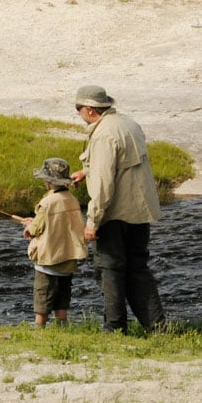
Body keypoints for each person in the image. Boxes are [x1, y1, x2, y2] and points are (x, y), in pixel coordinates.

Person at [70, 85, 166, 333]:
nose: (79, 114)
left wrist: (92, 223)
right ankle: (156, 328)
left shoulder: (103, 135)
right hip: (139, 212)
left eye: (79, 109)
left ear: (90, 110)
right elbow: (120, 165)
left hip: (114, 215)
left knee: (109, 270)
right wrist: (87, 171)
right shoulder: (128, 124)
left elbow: (103, 186)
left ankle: (114, 329)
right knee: (138, 268)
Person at [16, 158, 88, 327]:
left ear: (48, 182)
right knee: (62, 299)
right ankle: (61, 327)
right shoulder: (72, 199)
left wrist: (29, 227)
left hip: (48, 262)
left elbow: (35, 230)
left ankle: (39, 330)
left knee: (42, 301)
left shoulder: (46, 203)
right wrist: (34, 221)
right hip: (68, 260)